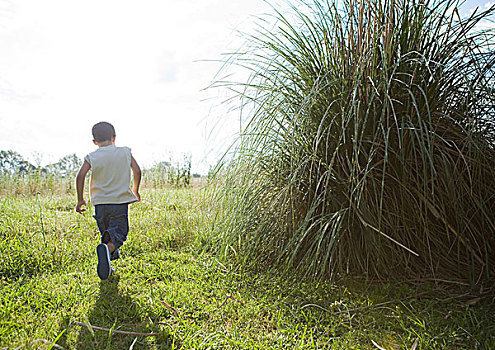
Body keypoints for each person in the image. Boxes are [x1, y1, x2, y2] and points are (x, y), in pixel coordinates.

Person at [75, 121, 141, 280]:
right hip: (119, 203)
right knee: (119, 233)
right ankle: (107, 249)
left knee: (107, 232)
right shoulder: (125, 152)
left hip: (100, 204)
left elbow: (80, 175)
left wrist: (80, 199)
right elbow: (137, 170)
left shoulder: (92, 156)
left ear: (95, 142)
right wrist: (135, 190)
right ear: (114, 137)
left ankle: (109, 264)